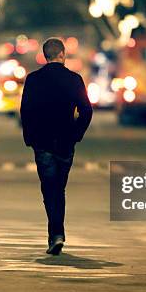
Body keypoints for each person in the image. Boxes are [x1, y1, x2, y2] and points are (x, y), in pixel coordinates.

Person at [20, 38, 93, 255]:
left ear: (45, 56)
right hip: (65, 141)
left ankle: (56, 234)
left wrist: (30, 137)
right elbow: (86, 111)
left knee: (49, 188)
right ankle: (56, 234)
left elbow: (26, 111)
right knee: (58, 188)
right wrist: (76, 134)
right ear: (62, 54)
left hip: (42, 142)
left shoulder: (33, 80)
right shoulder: (74, 80)